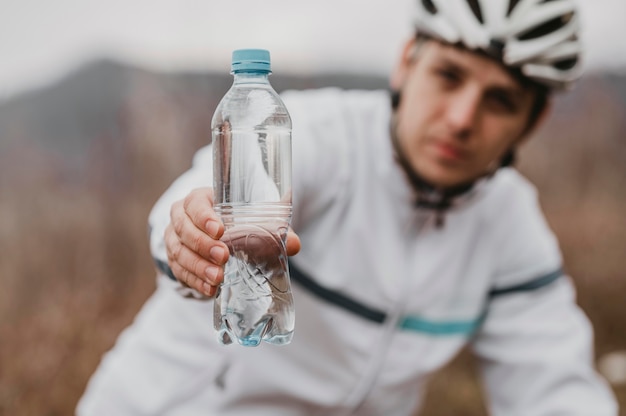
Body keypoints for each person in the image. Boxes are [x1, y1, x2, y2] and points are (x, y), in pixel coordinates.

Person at [77, 0, 619, 414]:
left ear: (534, 121)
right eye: (448, 76)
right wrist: (188, 237)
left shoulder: (509, 221)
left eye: (500, 100)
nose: (461, 117)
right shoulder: (317, 136)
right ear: (407, 62)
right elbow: (196, 201)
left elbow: (554, 387)